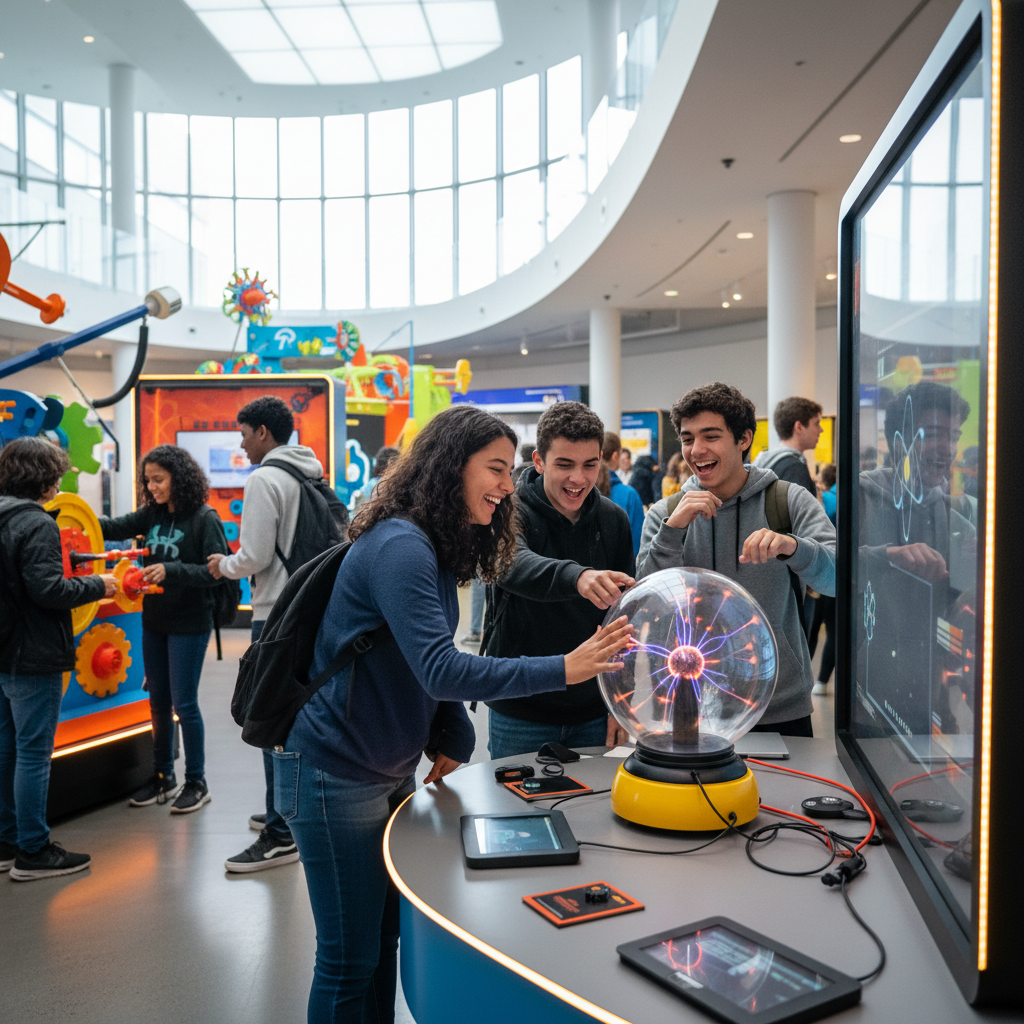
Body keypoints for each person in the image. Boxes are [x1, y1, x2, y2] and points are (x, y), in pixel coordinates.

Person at [281, 404, 632, 1022]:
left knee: (380, 945)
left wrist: (454, 729)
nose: (506, 486)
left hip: (382, 767)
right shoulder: (401, 546)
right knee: (347, 959)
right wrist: (565, 666)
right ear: (450, 466)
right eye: (495, 469)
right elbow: (441, 667)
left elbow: (420, 658)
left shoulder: (432, 545)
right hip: (336, 771)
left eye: (508, 470)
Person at [637, 382, 836, 736]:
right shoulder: (665, 514)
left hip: (779, 708)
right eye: (687, 439)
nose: (697, 450)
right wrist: (672, 531)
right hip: (689, 709)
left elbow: (837, 579)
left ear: (744, 439)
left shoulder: (788, 501)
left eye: (711, 436)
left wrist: (793, 547)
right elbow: (644, 603)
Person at [206, 395, 331, 872]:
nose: (241, 445)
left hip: (273, 613)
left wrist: (223, 565)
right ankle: (285, 810)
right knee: (291, 714)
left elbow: (255, 556)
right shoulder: (308, 474)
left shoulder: (264, 479)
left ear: (262, 432)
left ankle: (280, 832)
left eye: (243, 434)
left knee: (267, 717)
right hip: (307, 608)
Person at [482, 401, 636, 758]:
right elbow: (510, 564)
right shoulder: (506, 509)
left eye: (589, 465)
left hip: (592, 710)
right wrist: (578, 577)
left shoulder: (614, 519)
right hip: (520, 707)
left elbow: (624, 619)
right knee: (513, 795)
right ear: (539, 461)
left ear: (602, 460)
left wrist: (621, 699)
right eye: (564, 465)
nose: (578, 479)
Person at [0, 438, 116, 881]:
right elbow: (49, 590)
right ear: (44, 478)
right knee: (33, 754)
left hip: (4, 652)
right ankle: (33, 850)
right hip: (35, 655)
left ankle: (7, 841)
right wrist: (100, 584)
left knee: (6, 749)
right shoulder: (37, 523)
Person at [101, 445, 228, 813]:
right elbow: (114, 528)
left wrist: (171, 571)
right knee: (157, 701)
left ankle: (197, 782)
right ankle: (163, 776)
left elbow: (215, 573)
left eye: (159, 479)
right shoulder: (152, 514)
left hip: (190, 622)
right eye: (148, 481)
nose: (152, 487)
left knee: (184, 703)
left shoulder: (205, 518)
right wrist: (69, 513)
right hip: (154, 620)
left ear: (179, 478)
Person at [806, 463, 837, 695]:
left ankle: (804, 678)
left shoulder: (824, 499)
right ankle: (822, 681)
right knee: (835, 629)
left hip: (818, 573)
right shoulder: (847, 499)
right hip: (838, 572)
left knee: (811, 627)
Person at [753, 396, 823, 496]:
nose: (821, 430)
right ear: (799, 427)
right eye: (816, 424)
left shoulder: (766, 461)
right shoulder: (794, 468)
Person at [601, 431, 644, 556]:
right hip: (620, 567)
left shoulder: (581, 490)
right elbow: (637, 545)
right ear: (615, 456)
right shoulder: (629, 495)